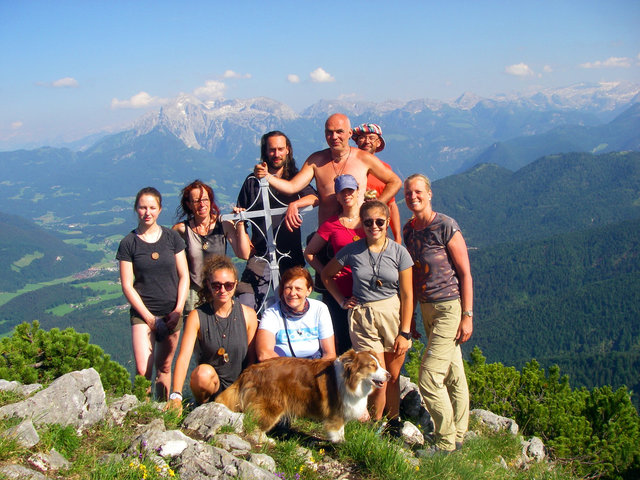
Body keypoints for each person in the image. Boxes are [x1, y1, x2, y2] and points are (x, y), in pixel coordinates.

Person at [321, 200, 413, 425]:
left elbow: (408, 295)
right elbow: (326, 275)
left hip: (392, 314)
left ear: (388, 223)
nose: (374, 226)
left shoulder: (399, 253)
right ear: (362, 224)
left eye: (379, 221)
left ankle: (393, 421)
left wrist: (406, 332)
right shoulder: (351, 251)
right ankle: (374, 426)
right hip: (363, 317)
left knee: (392, 375)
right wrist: (342, 301)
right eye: (368, 222)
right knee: (377, 376)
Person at [403, 173, 473, 453]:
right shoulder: (409, 231)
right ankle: (460, 432)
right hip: (427, 307)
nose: (413, 197)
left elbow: (465, 273)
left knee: (429, 377)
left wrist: (467, 315)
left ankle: (445, 442)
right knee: (454, 372)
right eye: (408, 193)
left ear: (429, 194)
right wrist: (412, 317)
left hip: (449, 308)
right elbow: (414, 277)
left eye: (418, 192)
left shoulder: (445, 226)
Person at [255, 113, 401, 225]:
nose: (334, 137)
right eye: (329, 132)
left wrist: (378, 204)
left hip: (359, 230)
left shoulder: (363, 158)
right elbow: (292, 187)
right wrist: (266, 176)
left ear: (349, 133)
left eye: (339, 131)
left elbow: (395, 181)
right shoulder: (316, 160)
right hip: (328, 234)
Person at [116, 187, 189, 400]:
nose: (147, 212)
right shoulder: (128, 243)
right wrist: (148, 318)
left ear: (159, 210)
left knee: (164, 367)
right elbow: (127, 285)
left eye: (152, 208)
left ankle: (163, 414)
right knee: (142, 370)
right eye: (142, 207)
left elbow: (184, 275)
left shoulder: (172, 238)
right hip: (142, 312)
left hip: (171, 312)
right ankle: (143, 413)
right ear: (136, 209)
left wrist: (177, 310)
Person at [236, 131, 318, 313]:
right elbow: (240, 214)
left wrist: (295, 204)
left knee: (293, 306)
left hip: (290, 255)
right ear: (265, 152)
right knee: (250, 305)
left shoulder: (294, 179)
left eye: (281, 149)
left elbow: (314, 198)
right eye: (272, 150)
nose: (277, 154)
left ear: (288, 150)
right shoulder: (252, 182)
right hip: (260, 256)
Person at [167, 255, 258, 415]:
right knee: (202, 373)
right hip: (212, 383)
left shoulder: (248, 315)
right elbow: (184, 357)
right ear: (208, 285)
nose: (222, 290)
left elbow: (252, 360)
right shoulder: (197, 316)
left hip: (240, 386)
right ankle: (203, 409)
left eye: (228, 285)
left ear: (236, 284)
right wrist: (176, 395)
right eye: (217, 285)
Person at [304, 174, 364, 354]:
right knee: (345, 346)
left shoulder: (370, 219)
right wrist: (326, 272)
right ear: (337, 196)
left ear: (357, 191)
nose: (347, 195)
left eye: (350, 190)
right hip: (342, 293)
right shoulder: (331, 225)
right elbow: (309, 253)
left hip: (368, 292)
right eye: (342, 192)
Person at [172, 180, 250, 315]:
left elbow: (244, 254)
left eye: (205, 199)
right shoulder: (181, 230)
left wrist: (240, 224)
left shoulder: (223, 224)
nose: (202, 204)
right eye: (196, 201)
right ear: (189, 205)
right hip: (193, 291)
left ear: (210, 201)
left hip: (220, 288)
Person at [256, 266, 336, 361]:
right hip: (282, 367)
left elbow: (329, 354)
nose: (292, 293)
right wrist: (293, 372)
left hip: (314, 365)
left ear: (308, 290)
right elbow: (264, 354)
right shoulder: (272, 313)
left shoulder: (320, 309)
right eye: (288, 288)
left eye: (298, 289)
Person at [351, 123, 402, 242]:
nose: (366, 141)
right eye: (362, 137)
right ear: (357, 142)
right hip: (353, 229)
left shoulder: (385, 170)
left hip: (378, 230)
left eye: (371, 138)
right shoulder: (350, 167)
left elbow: (391, 205)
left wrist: (397, 237)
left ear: (378, 142)